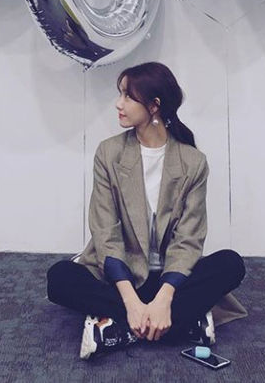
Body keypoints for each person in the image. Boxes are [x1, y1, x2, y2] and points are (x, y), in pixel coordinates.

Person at [46, 62, 247, 360]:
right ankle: (182, 324)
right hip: (121, 277)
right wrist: (132, 303)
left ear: (154, 106)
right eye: (120, 94)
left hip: (169, 279)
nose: (119, 104)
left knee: (231, 264)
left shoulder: (193, 162)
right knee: (60, 277)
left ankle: (117, 328)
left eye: (128, 96)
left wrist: (164, 299)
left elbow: (189, 240)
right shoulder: (109, 153)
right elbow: (105, 233)